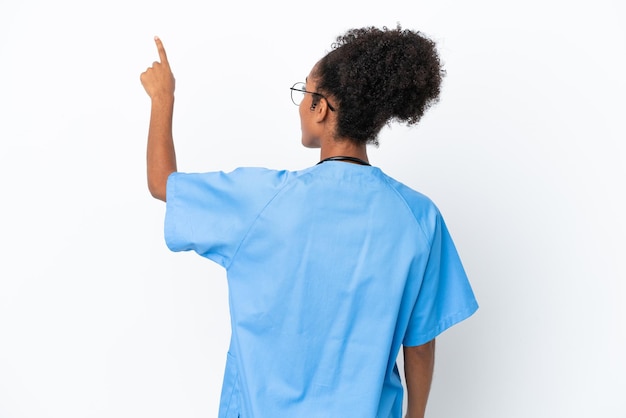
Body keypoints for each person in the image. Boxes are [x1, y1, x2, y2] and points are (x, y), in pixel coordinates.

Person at [140, 25, 478, 418]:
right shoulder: (419, 218)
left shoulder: (262, 201)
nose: (300, 104)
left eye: (304, 92)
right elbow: (419, 343)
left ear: (321, 107)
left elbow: (163, 183)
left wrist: (163, 97)